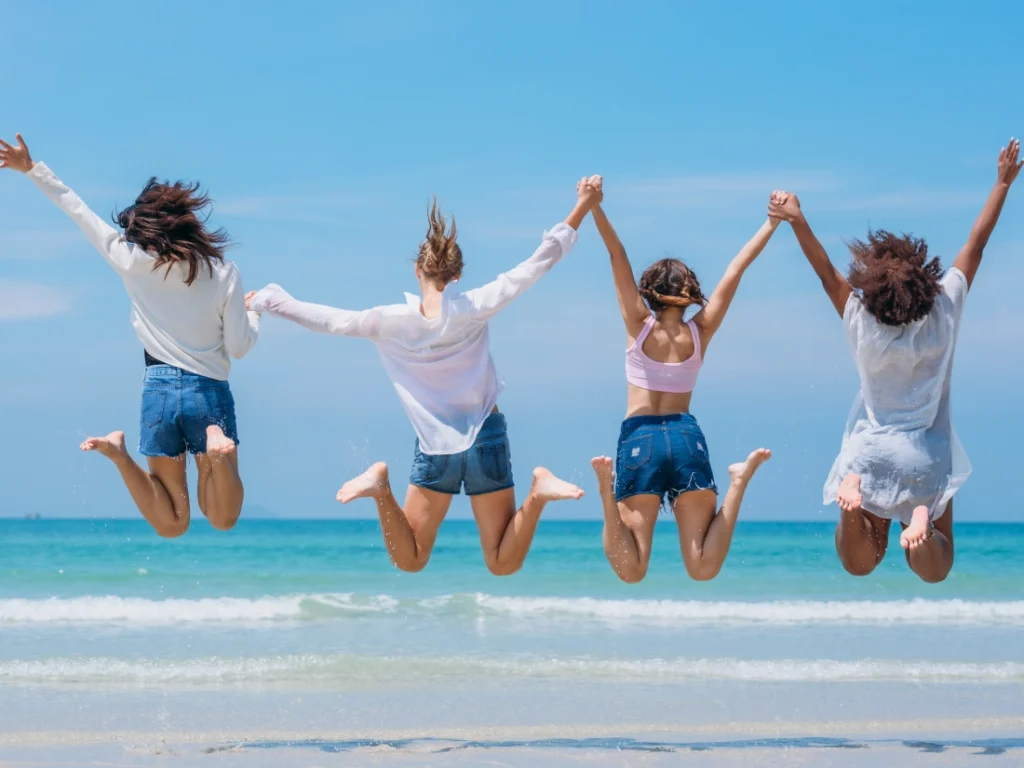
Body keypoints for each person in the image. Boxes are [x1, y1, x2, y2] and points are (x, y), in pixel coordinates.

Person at [248, 178, 603, 575]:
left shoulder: (389, 321)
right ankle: (538, 495)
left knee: (411, 560)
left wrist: (268, 300)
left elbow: (330, 320)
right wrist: (583, 206)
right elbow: (538, 263)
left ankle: (380, 488)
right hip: (486, 435)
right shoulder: (473, 307)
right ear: (458, 275)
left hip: (436, 447)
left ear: (417, 270)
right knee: (502, 563)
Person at [768, 138, 1022, 583]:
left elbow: (827, 273)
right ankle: (921, 522)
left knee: (859, 561)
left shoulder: (861, 322)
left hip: (868, 455)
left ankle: (853, 511)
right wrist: (1002, 183)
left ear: (871, 286)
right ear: (923, 277)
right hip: (924, 457)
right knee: (935, 567)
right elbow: (975, 246)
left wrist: (796, 219)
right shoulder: (944, 311)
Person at [0, 134, 260, 537]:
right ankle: (214, 448)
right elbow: (241, 348)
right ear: (189, 221)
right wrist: (254, 312)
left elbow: (78, 211)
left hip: (157, 391)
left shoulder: (131, 261)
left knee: (173, 525)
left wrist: (32, 169)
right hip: (208, 391)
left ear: (143, 225)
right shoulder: (223, 272)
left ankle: (120, 456)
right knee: (222, 518)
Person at [588, 176, 773, 583]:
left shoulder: (638, 324)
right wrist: (771, 223)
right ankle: (738, 483)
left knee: (632, 569)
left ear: (648, 294)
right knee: (702, 568)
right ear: (688, 294)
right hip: (687, 436)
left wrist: (593, 205)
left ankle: (606, 491)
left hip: (641, 439)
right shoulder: (699, 332)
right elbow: (736, 269)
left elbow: (616, 254)